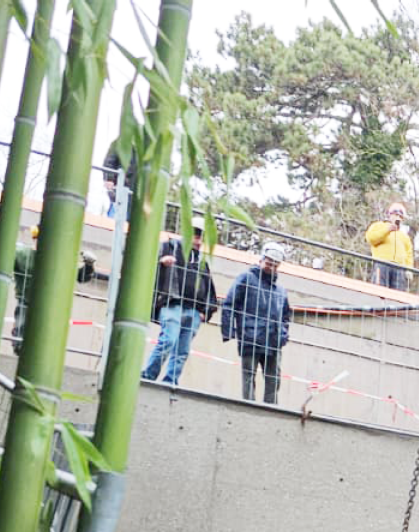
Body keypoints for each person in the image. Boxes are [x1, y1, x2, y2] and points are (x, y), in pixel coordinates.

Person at [141, 222, 218, 386]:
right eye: (196, 236)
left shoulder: (201, 261)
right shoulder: (168, 247)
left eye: (201, 238)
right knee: (168, 340)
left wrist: (205, 311)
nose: (198, 242)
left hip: (194, 310)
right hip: (172, 303)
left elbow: (208, 286)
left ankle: (170, 381)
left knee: (182, 350)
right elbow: (145, 267)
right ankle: (148, 375)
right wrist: (161, 263)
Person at [221, 243, 293, 404]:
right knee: (248, 377)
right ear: (261, 259)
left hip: (273, 342)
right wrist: (229, 331)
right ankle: (249, 407)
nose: (270, 267)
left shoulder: (280, 290)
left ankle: (271, 410)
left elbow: (286, 316)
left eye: (275, 265)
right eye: (268, 263)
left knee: (273, 381)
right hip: (250, 338)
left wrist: (283, 335)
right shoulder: (246, 278)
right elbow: (229, 304)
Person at [10, 224, 96, 355]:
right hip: (26, 304)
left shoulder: (59, 261)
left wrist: (89, 266)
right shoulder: (22, 254)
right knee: (20, 340)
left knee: (44, 342)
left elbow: (81, 276)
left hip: (49, 308)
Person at [364, 201, 414, 291]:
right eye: (395, 215)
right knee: (379, 291)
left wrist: (409, 270)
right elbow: (371, 238)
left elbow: (409, 254)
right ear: (389, 215)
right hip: (382, 264)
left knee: (397, 295)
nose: (398, 218)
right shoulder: (378, 226)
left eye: (400, 217)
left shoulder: (404, 236)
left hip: (399, 268)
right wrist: (388, 230)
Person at [100, 140, 138, 214]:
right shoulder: (122, 141)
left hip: (136, 197)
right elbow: (109, 163)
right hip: (121, 191)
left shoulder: (144, 145)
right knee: (114, 218)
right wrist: (109, 179)